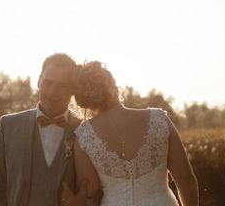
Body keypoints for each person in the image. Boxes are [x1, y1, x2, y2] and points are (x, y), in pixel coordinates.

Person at [62, 61, 198, 206]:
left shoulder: (84, 135)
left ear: (82, 101)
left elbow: (90, 189)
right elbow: (186, 179)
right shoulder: (159, 119)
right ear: (113, 86)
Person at [0, 53, 98, 206]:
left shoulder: (85, 131)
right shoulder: (9, 126)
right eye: (48, 82)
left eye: (62, 86)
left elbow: (95, 193)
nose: (53, 91)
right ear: (39, 81)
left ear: (72, 90)